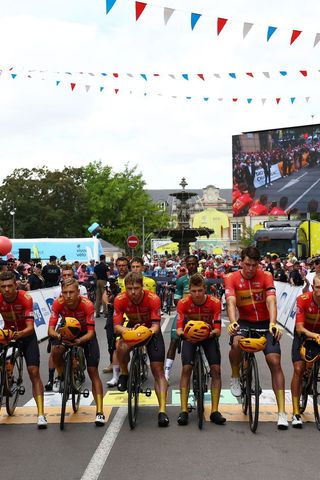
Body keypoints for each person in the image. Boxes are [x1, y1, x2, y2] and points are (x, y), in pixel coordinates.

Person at [225, 246, 288, 429]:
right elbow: (231, 301)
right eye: (247, 264)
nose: (250, 269)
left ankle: (282, 412)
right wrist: (232, 321)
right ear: (241, 262)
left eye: (254, 265)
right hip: (244, 322)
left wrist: (273, 323)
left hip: (265, 322)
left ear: (258, 264)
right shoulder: (231, 278)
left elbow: (271, 300)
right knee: (236, 342)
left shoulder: (266, 276)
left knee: (274, 361)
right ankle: (236, 375)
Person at [113, 272, 169, 427]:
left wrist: (145, 332)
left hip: (150, 330)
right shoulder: (120, 299)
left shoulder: (153, 299)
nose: (132, 292)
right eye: (129, 288)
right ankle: (124, 373)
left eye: (136, 288)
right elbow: (116, 325)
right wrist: (126, 331)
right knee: (120, 347)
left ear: (142, 286)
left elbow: (156, 325)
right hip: (131, 327)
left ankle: (162, 411)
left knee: (158, 371)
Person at [48, 277, 105, 426]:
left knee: (93, 371)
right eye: (64, 292)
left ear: (78, 292)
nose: (68, 296)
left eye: (71, 292)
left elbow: (91, 333)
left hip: (85, 335)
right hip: (65, 333)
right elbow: (50, 329)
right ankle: (61, 376)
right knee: (55, 350)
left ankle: (99, 412)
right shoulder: (58, 303)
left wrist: (79, 342)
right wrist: (59, 336)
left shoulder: (87, 304)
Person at [176, 274, 226, 426]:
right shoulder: (183, 303)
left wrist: (211, 333)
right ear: (189, 290)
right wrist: (183, 335)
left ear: (205, 289)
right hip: (189, 337)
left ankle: (215, 411)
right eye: (193, 291)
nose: (197, 294)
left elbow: (218, 329)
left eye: (200, 291)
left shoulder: (215, 303)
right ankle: (184, 410)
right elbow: (179, 327)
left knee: (216, 370)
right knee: (186, 369)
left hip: (208, 336)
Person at [0, 271, 47, 428]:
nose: (6, 290)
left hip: (26, 335)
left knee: (34, 372)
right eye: (3, 287)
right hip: (7, 334)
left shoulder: (25, 298)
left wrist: (17, 334)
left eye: (9, 286)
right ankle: (6, 379)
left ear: (16, 285)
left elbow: (29, 327)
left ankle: (41, 414)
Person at [290, 273, 320, 428]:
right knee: (299, 368)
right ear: (312, 287)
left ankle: (311, 378)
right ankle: (296, 411)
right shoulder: (303, 300)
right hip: (304, 336)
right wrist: (314, 335)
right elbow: (299, 327)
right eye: (317, 287)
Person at [164, 255, 199, 382]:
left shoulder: (204, 280)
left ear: (197, 264)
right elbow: (176, 299)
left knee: (209, 338)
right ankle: (167, 372)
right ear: (186, 265)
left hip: (200, 315)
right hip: (184, 314)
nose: (191, 266)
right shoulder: (181, 280)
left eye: (193, 263)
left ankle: (207, 365)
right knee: (174, 341)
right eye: (188, 264)